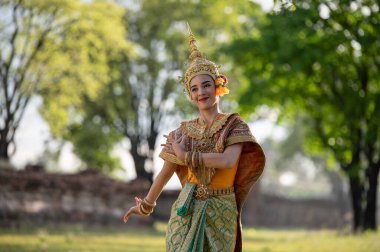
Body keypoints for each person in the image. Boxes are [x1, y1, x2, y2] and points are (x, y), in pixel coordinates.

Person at [123, 24, 265, 252]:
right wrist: (146, 206)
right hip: (185, 210)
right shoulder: (183, 132)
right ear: (191, 95)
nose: (202, 93)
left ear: (218, 86)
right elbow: (165, 172)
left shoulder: (234, 125)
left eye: (207, 85)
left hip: (221, 210)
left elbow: (228, 161)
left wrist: (186, 155)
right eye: (195, 89)